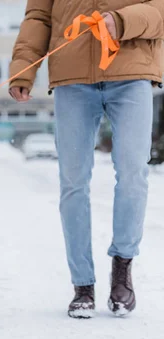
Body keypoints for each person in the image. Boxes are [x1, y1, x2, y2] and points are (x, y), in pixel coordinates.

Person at [10, 0, 164, 318]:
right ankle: (82, 285)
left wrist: (122, 22)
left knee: (134, 171)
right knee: (73, 180)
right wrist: (24, 69)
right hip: (72, 78)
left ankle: (123, 268)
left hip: (132, 72)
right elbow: (38, 15)